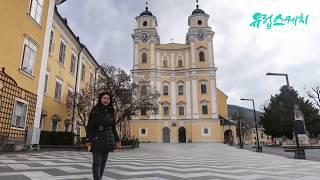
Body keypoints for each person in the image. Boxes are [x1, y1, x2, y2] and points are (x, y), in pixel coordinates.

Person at [87, 92, 121, 180]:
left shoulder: (111, 110)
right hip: (97, 137)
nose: (106, 100)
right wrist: (89, 139)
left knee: (103, 163)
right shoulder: (95, 110)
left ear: (110, 100)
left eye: (108, 99)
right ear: (100, 99)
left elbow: (113, 126)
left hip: (108, 138)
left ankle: (99, 178)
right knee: (97, 162)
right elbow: (90, 125)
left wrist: (117, 139)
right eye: (104, 98)